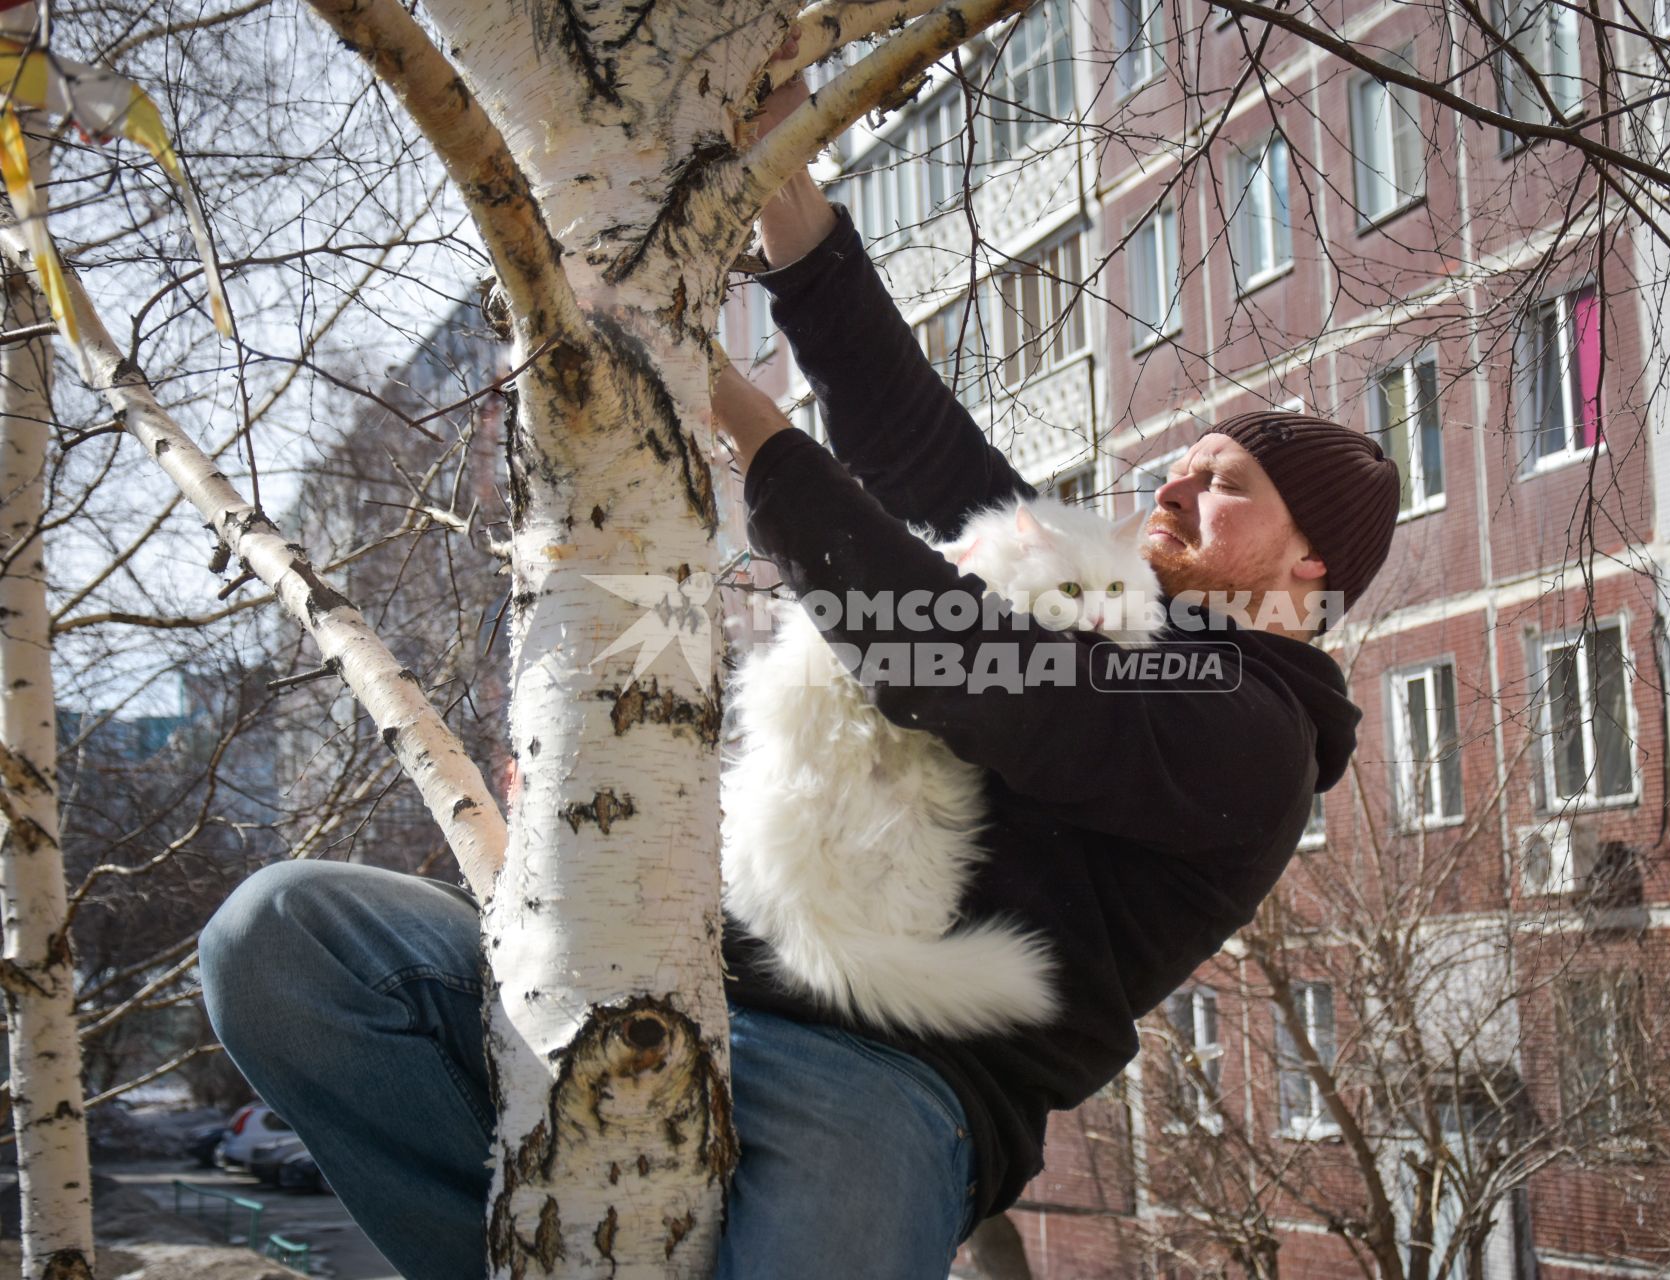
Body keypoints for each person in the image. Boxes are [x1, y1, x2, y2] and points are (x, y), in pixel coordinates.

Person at [197, 95, 1401, 1280]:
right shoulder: (1107, 604)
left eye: (1226, 483)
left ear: (1309, 567)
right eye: (1180, 468)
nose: (1174, 492)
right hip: (661, 969)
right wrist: (775, 158)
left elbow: (976, 668)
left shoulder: (1254, 730)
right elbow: (922, 448)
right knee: (284, 937)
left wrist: (730, 404)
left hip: (888, 1080)